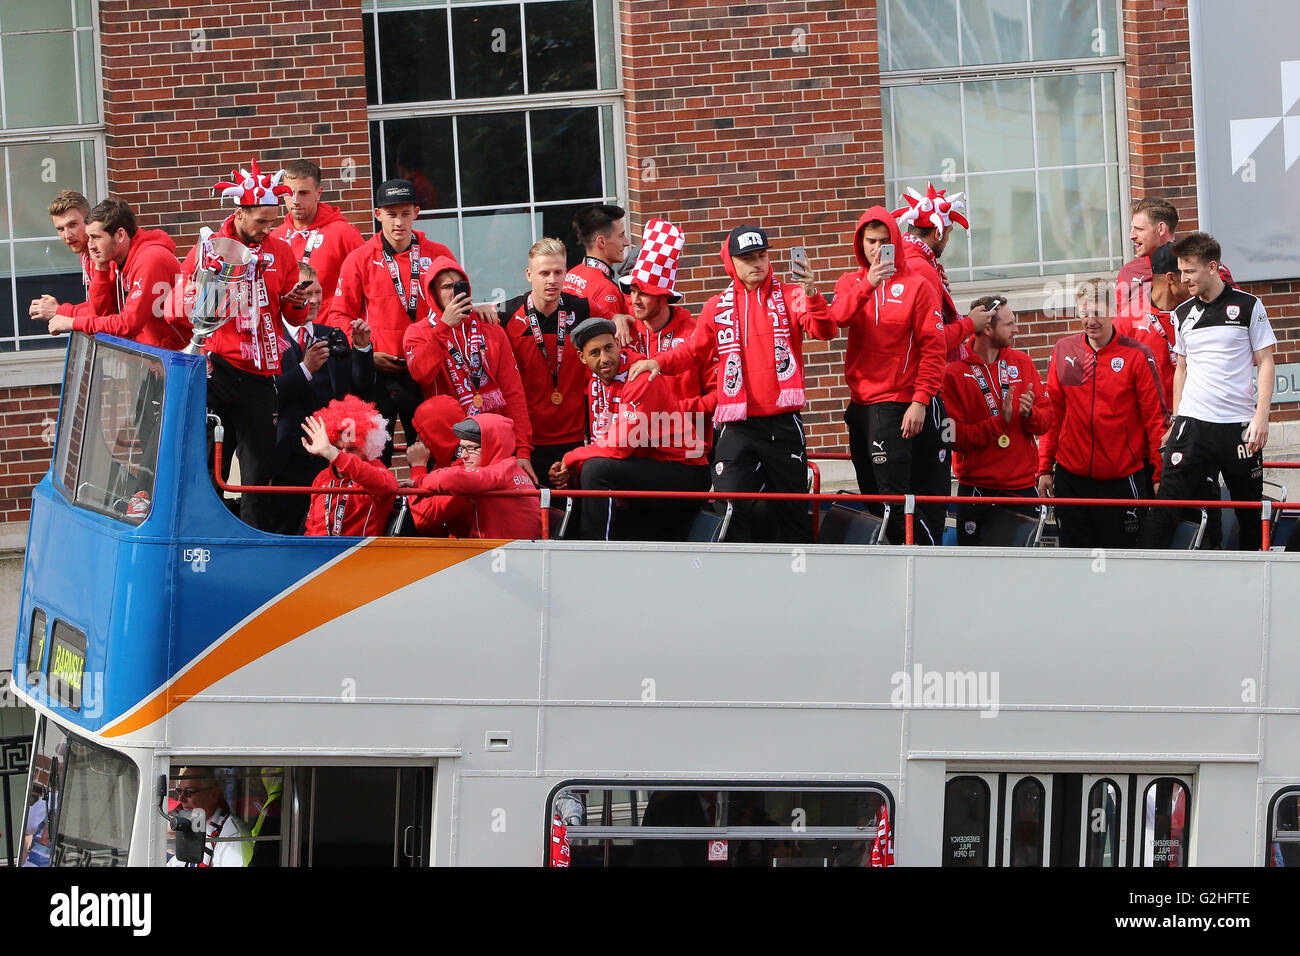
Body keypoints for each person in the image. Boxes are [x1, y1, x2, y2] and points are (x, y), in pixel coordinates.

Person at [630, 223, 831, 543]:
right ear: (731, 262)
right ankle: (737, 579)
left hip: (783, 422)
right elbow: (694, 351)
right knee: (731, 507)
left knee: (792, 511)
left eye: (762, 255)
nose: (757, 263)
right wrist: (658, 361)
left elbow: (825, 331)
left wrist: (812, 293)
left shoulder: (793, 295)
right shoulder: (717, 306)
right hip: (737, 423)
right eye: (748, 257)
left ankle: (800, 580)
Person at [171, 159, 310, 531]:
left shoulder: (281, 252)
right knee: (206, 463)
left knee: (257, 473)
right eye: (260, 220)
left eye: (272, 221)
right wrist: (202, 300)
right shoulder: (209, 248)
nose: (268, 229)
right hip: (217, 370)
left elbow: (292, 317)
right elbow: (175, 311)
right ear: (240, 212)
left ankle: (252, 541)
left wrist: (298, 301)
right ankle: (204, 535)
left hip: (262, 375)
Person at [1139, 232, 1277, 552]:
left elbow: (1266, 361)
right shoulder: (1182, 313)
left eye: (1190, 271)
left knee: (1248, 511)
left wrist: (1261, 418)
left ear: (1212, 267)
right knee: (1168, 502)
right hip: (1193, 423)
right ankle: (1143, 568)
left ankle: (1248, 582)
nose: (1183, 278)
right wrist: (1176, 418)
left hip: (1239, 426)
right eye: (1180, 270)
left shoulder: (1248, 305)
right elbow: (1182, 368)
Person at [821, 206, 947, 545]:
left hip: (895, 405)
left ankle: (925, 558)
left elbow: (933, 349)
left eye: (884, 241)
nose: (877, 249)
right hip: (860, 405)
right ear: (860, 243)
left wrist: (920, 401)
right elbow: (835, 321)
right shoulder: (850, 282)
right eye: (870, 241)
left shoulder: (918, 285)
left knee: (894, 499)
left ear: (896, 242)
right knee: (873, 499)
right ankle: (891, 566)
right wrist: (868, 284)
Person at [327, 178, 457, 463]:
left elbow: (458, 301)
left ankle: (425, 509)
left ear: (416, 213)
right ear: (377, 214)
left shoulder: (438, 254)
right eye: (391, 214)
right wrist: (365, 351)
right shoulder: (359, 258)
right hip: (378, 373)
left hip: (425, 373)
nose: (399, 222)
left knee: (431, 457)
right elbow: (337, 315)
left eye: (405, 213)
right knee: (374, 460)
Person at [550, 318, 710, 540]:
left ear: (618, 344)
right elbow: (602, 441)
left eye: (609, 348)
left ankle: (595, 551)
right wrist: (569, 470)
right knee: (588, 469)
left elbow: (619, 448)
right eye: (595, 353)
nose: (605, 359)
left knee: (597, 470)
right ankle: (569, 545)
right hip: (647, 465)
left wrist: (570, 458)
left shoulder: (641, 376)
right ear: (582, 358)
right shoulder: (596, 383)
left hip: (686, 470)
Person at [1037, 288, 1165, 549]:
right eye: (1084, 313)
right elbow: (1055, 414)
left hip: (1121, 479)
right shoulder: (1066, 351)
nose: (1090, 320)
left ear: (1113, 312)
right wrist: (1044, 468)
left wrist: (1159, 473)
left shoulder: (1136, 354)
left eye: (1098, 313)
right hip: (1071, 478)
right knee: (1076, 559)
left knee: (1122, 558)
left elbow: (1155, 419)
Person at [403, 257, 536, 480]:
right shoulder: (419, 332)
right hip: (451, 446)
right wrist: (444, 327)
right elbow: (421, 374)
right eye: (446, 287)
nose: (454, 292)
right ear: (433, 294)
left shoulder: (490, 328)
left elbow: (513, 393)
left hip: (494, 443)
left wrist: (522, 450)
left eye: (459, 285)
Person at [269, 263, 376, 534]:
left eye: (318, 292)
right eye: (306, 292)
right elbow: (268, 394)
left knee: (329, 526)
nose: (315, 300)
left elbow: (359, 390)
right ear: (289, 296)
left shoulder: (332, 335)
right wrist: (305, 369)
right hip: (287, 454)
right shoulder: (269, 337)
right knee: (286, 527)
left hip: (332, 453)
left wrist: (362, 350)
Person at [943, 296, 1050, 545]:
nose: (1017, 329)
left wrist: (1029, 415)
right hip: (977, 490)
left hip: (1022, 487)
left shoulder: (1021, 362)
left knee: (1024, 573)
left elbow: (1048, 418)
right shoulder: (954, 371)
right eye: (1009, 324)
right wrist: (998, 423)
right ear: (988, 329)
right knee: (976, 572)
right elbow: (950, 437)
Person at [501, 238, 590, 487]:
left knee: (573, 518)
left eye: (558, 272)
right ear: (529, 275)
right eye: (544, 273)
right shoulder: (505, 315)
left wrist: (619, 317)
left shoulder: (583, 310)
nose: (552, 280)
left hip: (574, 440)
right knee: (534, 519)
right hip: (528, 442)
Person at [44, 198, 186, 350]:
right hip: (156, 355)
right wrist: (100, 268)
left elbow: (128, 324)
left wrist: (72, 321)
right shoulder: (116, 259)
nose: (90, 246)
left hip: (181, 356)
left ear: (120, 235)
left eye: (96, 237)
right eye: (89, 237)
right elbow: (103, 315)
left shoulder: (150, 259)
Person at [616, 218, 717, 430]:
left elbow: (719, 394)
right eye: (632, 291)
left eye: (643, 293)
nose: (634, 300)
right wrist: (615, 318)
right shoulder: (624, 329)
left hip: (688, 443)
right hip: (635, 442)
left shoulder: (694, 334)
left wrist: (677, 411)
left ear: (664, 296)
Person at [894, 182, 993, 360]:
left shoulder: (906, 259)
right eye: (949, 232)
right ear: (938, 234)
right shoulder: (922, 269)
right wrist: (970, 324)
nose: (947, 240)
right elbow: (933, 339)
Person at [406, 414, 542, 539]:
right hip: (508, 553)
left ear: (493, 446)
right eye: (462, 448)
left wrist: (420, 479)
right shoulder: (511, 469)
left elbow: (452, 479)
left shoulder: (499, 472)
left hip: (505, 557)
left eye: (471, 448)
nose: (464, 456)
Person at [1116, 198, 1235, 315]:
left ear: (1161, 229)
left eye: (1139, 229)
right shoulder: (1129, 271)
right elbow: (1118, 322)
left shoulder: (1203, 264)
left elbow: (1234, 310)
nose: (1132, 235)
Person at [301, 396, 398, 537]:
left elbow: (386, 486)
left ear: (366, 446)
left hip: (363, 555)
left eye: (352, 449)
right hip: (323, 555)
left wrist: (336, 455)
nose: (344, 454)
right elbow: (312, 529)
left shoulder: (377, 472)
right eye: (337, 448)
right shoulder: (322, 478)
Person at [271, 158, 365, 299]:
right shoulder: (275, 237)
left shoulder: (344, 234)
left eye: (303, 193)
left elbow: (368, 282)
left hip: (329, 320)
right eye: (289, 194)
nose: (295, 200)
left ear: (318, 193)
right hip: (289, 320)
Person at [404, 395, 472, 537]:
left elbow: (424, 520)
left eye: (422, 433)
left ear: (438, 433)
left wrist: (417, 467)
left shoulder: (465, 467)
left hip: (476, 553)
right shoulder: (446, 462)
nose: (417, 439)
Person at [29, 190, 97, 324]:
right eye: (60, 229)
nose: (67, 235)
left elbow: (107, 312)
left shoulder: (104, 255)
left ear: (89, 220)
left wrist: (59, 311)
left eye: (73, 225)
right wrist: (59, 313)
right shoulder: (85, 255)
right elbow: (96, 306)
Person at [166, 768, 253, 867]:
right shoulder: (197, 824)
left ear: (214, 795)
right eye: (179, 791)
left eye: (188, 792)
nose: (180, 798)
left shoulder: (232, 835)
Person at [564, 203, 631, 319]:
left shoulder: (570, 274)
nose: (626, 242)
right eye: (621, 236)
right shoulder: (607, 289)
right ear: (601, 242)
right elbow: (609, 336)